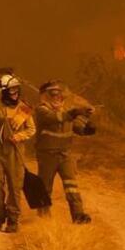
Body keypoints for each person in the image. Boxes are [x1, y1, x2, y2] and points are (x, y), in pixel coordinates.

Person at [32, 79, 96, 223]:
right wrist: (74, 112)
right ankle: (43, 218)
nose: (57, 98)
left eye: (59, 96)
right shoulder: (42, 110)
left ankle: (78, 215)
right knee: (44, 187)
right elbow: (55, 119)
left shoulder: (65, 112)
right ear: (46, 96)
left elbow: (77, 128)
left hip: (65, 155)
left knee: (71, 186)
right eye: (53, 95)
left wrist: (88, 128)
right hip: (47, 155)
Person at [0, 71, 37, 232]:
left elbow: (31, 129)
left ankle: (13, 220)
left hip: (16, 152)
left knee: (15, 187)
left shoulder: (24, 108)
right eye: (11, 91)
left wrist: (19, 136)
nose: (15, 94)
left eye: (17, 90)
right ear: (4, 92)